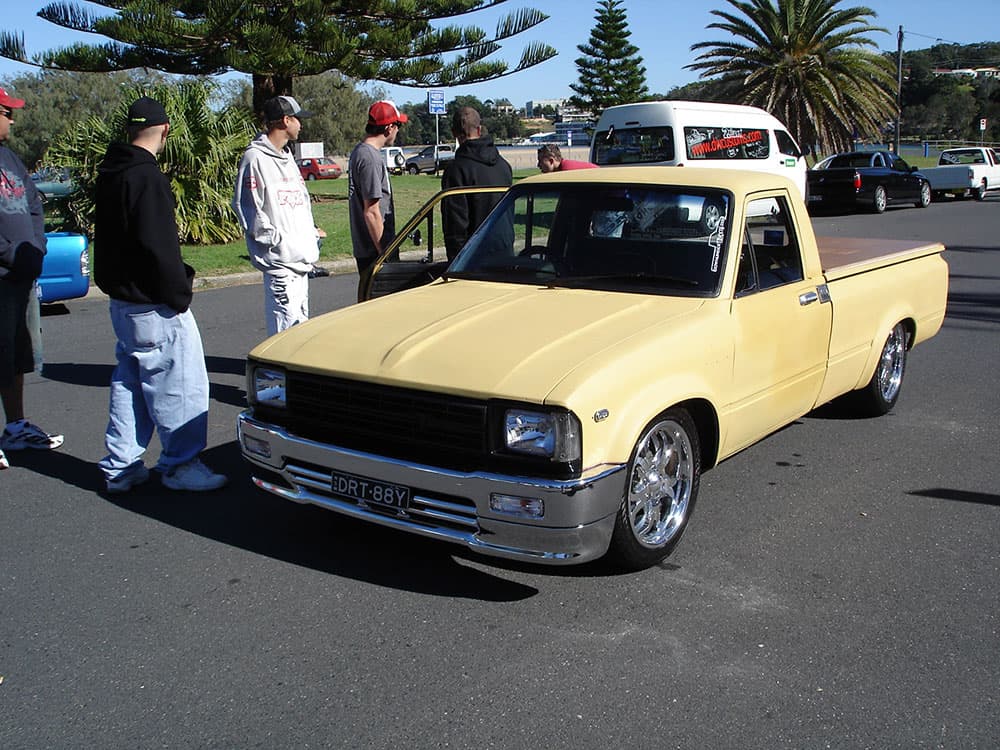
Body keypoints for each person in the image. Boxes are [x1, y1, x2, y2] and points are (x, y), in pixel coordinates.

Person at [93, 96, 226, 493]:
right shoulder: (146, 177)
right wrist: (179, 292)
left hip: (123, 301)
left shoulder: (112, 172)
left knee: (130, 384)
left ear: (129, 129)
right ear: (166, 129)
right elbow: (158, 246)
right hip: (154, 302)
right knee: (180, 385)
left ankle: (121, 466)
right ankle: (181, 464)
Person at [0, 85, 63, 471]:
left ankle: (16, 427)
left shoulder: (10, 159)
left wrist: (36, 248)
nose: (12, 119)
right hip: (4, 273)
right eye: (7, 112)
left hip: (22, 275)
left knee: (18, 354)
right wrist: (11, 254)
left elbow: (34, 206)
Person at [234, 95, 320, 336]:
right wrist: (276, 241)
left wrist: (310, 233)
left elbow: (298, 202)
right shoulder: (255, 158)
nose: (301, 125)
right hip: (281, 263)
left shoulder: (287, 156)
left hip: (301, 261)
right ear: (285, 120)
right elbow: (249, 207)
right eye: (297, 119)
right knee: (284, 332)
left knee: (300, 330)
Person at [348, 100, 407, 301]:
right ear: (389, 127)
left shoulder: (361, 152)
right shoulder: (370, 158)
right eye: (398, 126)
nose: (398, 131)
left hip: (368, 249)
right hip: (374, 251)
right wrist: (386, 254)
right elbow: (372, 212)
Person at [441, 107, 512, 261]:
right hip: (505, 253)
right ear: (479, 130)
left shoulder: (456, 170)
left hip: (472, 260)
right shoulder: (504, 166)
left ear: (453, 133)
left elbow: (455, 225)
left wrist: (456, 263)